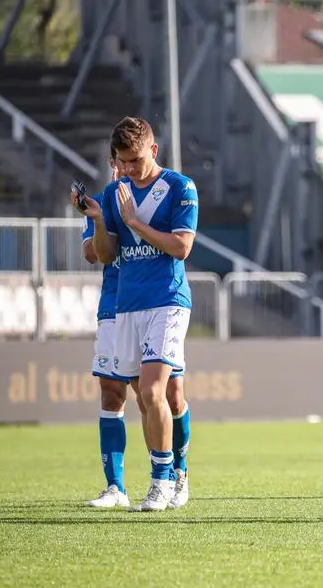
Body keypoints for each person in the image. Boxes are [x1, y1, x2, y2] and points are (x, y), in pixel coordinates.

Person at [73, 117, 198, 512]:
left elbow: (181, 248)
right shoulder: (114, 192)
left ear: (154, 151)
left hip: (167, 300)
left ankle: (165, 480)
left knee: (155, 392)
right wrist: (97, 219)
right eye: (123, 161)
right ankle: (134, 482)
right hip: (125, 306)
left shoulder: (180, 187)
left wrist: (134, 223)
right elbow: (104, 255)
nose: (129, 168)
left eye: (136, 160)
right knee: (139, 399)